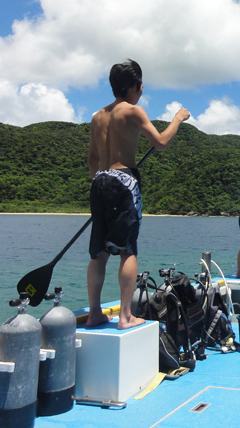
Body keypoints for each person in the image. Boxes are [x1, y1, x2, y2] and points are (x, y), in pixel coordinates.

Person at [86, 59, 190, 329]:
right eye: (140, 86)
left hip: (99, 181)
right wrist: (178, 118)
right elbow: (161, 142)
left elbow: (92, 158)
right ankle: (125, 316)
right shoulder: (133, 111)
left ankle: (95, 313)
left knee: (99, 253)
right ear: (133, 86)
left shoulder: (97, 117)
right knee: (127, 249)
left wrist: (101, 185)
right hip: (124, 181)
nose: (141, 90)